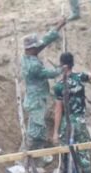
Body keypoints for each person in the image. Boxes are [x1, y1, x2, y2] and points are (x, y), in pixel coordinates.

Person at [22, 21, 67, 151]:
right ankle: (32, 154)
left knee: (36, 127)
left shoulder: (28, 55)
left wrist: (58, 27)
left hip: (34, 98)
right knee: (37, 129)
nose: (38, 48)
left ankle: (35, 151)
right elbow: (48, 73)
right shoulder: (32, 66)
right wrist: (60, 70)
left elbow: (44, 41)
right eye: (36, 47)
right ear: (31, 49)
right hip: (35, 100)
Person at [52, 52, 91, 173]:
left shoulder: (58, 86)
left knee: (65, 153)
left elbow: (58, 110)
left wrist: (55, 132)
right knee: (83, 152)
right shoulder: (80, 78)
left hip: (66, 123)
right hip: (80, 121)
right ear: (72, 64)